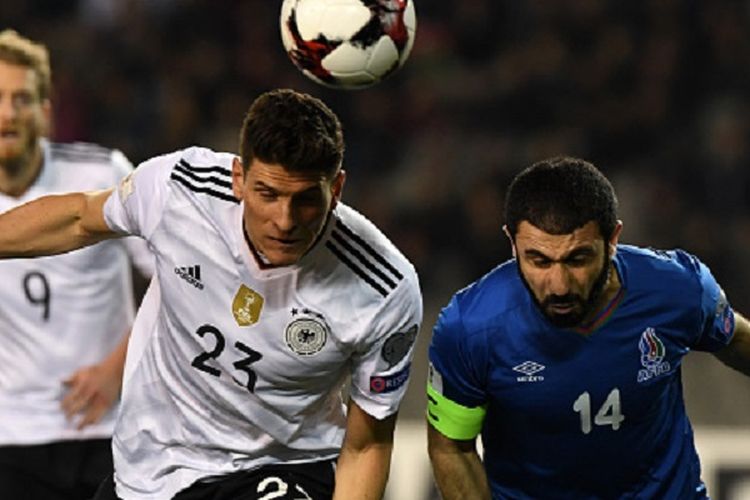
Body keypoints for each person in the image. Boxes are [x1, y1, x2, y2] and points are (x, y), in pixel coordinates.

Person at [0, 87, 423, 499]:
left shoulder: (383, 290)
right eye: (268, 194)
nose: (285, 220)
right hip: (153, 468)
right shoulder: (180, 192)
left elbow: (367, 444)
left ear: (337, 189)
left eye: (306, 199)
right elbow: (79, 218)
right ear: (238, 178)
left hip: (284, 465)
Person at [426, 156, 750, 499]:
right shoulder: (470, 328)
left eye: (578, 259)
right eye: (538, 260)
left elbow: (737, 338)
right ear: (512, 241)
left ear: (613, 239)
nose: (559, 284)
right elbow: (451, 448)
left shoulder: (678, 290)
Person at [0, 29, 153, 500]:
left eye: (22, 99)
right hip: (11, 436)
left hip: (114, 427)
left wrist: (116, 367)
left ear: (46, 112)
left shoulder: (100, 175)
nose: (8, 113)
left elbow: (180, 276)